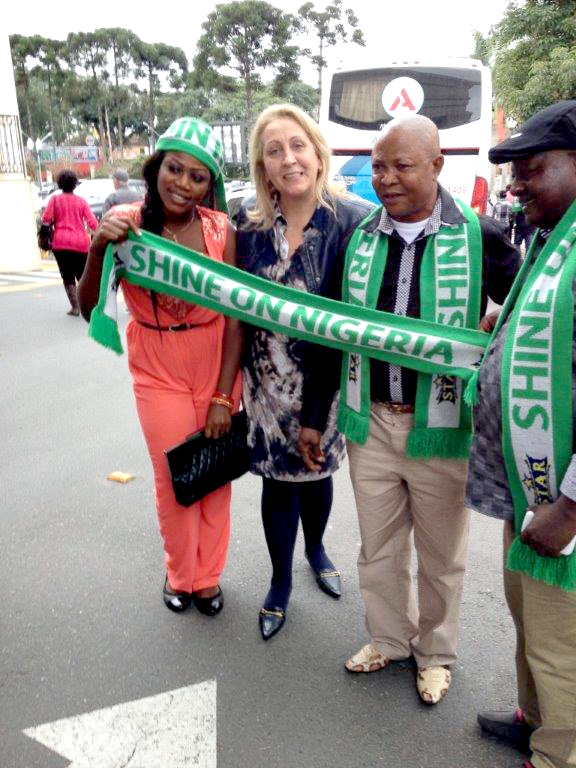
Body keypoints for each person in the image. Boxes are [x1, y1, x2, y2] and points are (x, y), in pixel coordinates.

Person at [301, 114, 519, 704]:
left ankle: (436, 653)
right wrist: (312, 415)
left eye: (401, 166)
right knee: (379, 547)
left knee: (441, 555)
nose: (386, 179)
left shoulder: (480, 236)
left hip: (441, 427)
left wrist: (500, 318)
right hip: (369, 419)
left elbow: (527, 306)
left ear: (436, 166)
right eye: (377, 167)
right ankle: (390, 639)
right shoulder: (358, 238)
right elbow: (330, 332)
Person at [78, 117, 243, 617]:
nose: (184, 184)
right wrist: (99, 245)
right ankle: (180, 573)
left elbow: (237, 316)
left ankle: (209, 577)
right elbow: (89, 307)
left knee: (215, 475)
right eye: (175, 169)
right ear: (157, 166)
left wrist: (222, 395)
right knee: (175, 476)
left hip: (215, 356)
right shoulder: (126, 222)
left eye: (198, 177)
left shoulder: (221, 230)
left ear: (209, 184)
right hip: (156, 361)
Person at [236, 103, 373, 641]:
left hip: (325, 382)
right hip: (266, 386)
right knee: (277, 482)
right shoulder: (246, 226)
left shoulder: (353, 222)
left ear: (317, 153)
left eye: (297, 145)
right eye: (274, 150)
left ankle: (316, 550)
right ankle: (278, 583)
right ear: (262, 166)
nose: (288, 158)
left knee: (316, 475)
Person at [467, 99, 576, 768]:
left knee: (560, 639)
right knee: (527, 617)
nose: (515, 187)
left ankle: (559, 753)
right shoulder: (552, 240)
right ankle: (533, 720)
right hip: (526, 484)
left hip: (561, 501)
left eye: (532, 169)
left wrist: (568, 506)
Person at [41, 170, 98, 316]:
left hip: (61, 243)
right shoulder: (81, 201)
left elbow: (46, 220)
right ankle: (89, 306)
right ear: (75, 184)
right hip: (81, 243)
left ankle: (75, 307)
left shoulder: (54, 200)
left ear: (60, 184)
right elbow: (93, 223)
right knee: (82, 275)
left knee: (67, 276)